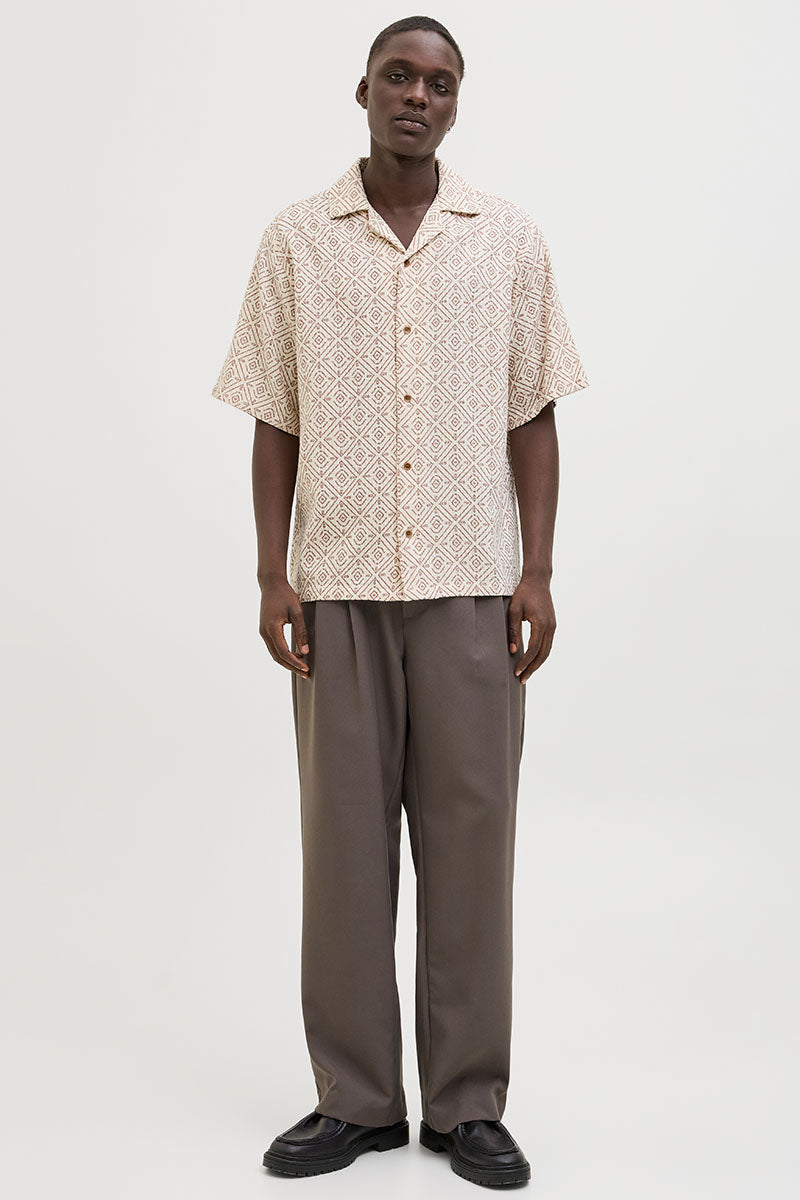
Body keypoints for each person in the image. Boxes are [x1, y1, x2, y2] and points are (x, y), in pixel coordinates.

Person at [211, 14, 589, 1189]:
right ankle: (358, 1101)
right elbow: (274, 415)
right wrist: (271, 573)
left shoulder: (506, 239)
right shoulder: (295, 240)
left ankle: (467, 1104)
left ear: (455, 103)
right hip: (337, 587)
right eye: (398, 76)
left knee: (471, 850)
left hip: (472, 587)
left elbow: (533, 414)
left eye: (438, 82)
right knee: (342, 852)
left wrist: (535, 573)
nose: (417, 95)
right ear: (363, 90)